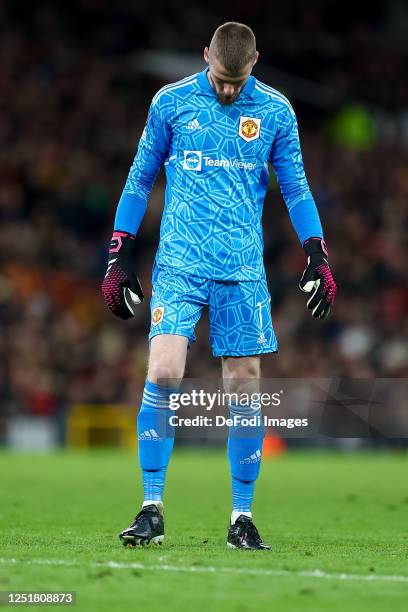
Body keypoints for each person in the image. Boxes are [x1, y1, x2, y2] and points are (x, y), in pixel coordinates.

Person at [102, 22, 337, 550]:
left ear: (255, 62)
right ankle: (151, 507)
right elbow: (141, 177)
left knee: (244, 389)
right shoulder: (172, 102)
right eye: (219, 77)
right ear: (205, 55)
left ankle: (241, 517)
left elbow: (296, 186)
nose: (227, 89)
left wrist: (317, 252)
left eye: (236, 80)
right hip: (179, 263)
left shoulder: (276, 110)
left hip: (243, 270)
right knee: (163, 371)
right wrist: (119, 252)